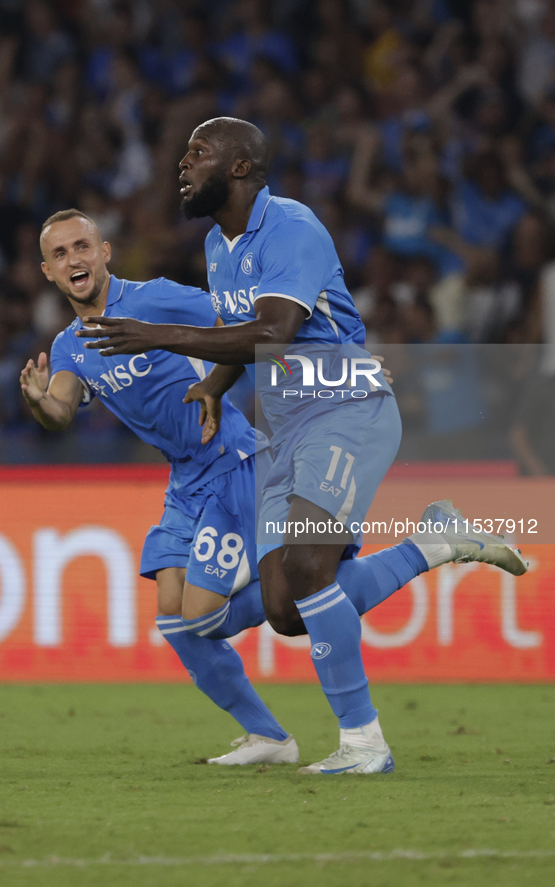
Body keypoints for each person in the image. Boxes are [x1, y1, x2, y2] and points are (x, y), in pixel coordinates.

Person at [75, 118, 528, 775]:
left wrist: (156, 335)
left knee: (311, 569)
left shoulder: (290, 226)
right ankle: (434, 541)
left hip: (345, 406)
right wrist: (212, 385)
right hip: (285, 424)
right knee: (288, 608)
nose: (182, 164)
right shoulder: (216, 244)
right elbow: (240, 334)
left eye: (197, 153)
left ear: (238, 167)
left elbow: (275, 331)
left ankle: (364, 743)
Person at [20, 209, 299, 766]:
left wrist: (221, 385)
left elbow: (243, 330)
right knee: (174, 619)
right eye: (60, 254)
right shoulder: (71, 345)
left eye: (82, 246)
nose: (73, 259)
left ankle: (308, 583)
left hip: (230, 460)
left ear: (104, 251)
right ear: (48, 272)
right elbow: (61, 409)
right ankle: (270, 738)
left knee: (203, 611)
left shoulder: (156, 298)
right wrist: (38, 403)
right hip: (184, 478)